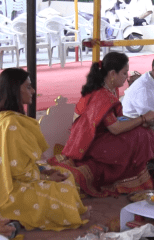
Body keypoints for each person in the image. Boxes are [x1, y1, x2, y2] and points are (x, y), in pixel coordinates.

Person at [48, 52, 154, 197]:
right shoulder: (102, 95)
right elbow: (115, 128)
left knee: (143, 132)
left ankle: (136, 170)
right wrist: (143, 119)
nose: (127, 77)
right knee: (140, 135)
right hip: (90, 142)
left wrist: (140, 121)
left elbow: (115, 120)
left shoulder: (111, 88)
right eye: (124, 73)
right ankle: (130, 174)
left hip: (102, 134)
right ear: (113, 73)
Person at [0, 68, 90, 231]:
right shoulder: (12, 124)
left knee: (66, 173)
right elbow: (18, 171)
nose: (33, 91)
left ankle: (70, 212)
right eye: (28, 87)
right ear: (15, 90)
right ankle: (63, 215)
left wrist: (46, 172)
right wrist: (46, 178)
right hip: (9, 188)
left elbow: (25, 163)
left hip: (18, 177)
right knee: (60, 187)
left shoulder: (9, 118)